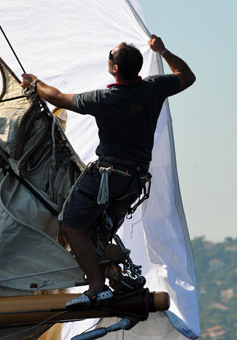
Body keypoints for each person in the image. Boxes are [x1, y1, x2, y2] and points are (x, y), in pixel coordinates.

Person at [20, 34, 195, 306]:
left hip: (107, 177)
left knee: (71, 225)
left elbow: (58, 98)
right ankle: (114, 277)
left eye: (110, 57)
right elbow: (187, 75)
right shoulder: (154, 88)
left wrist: (34, 83)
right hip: (134, 182)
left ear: (115, 69)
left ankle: (96, 286)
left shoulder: (104, 99)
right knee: (101, 231)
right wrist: (163, 51)